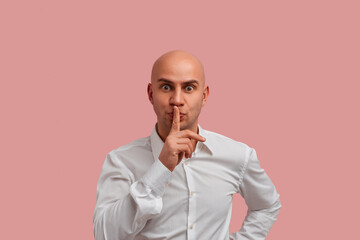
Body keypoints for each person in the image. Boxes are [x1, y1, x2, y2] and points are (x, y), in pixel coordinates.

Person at [93, 50, 281, 240]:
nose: (177, 100)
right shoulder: (121, 161)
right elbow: (103, 235)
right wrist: (160, 169)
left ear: (204, 95)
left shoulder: (237, 155)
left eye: (189, 88)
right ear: (150, 94)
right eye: (166, 87)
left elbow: (267, 206)